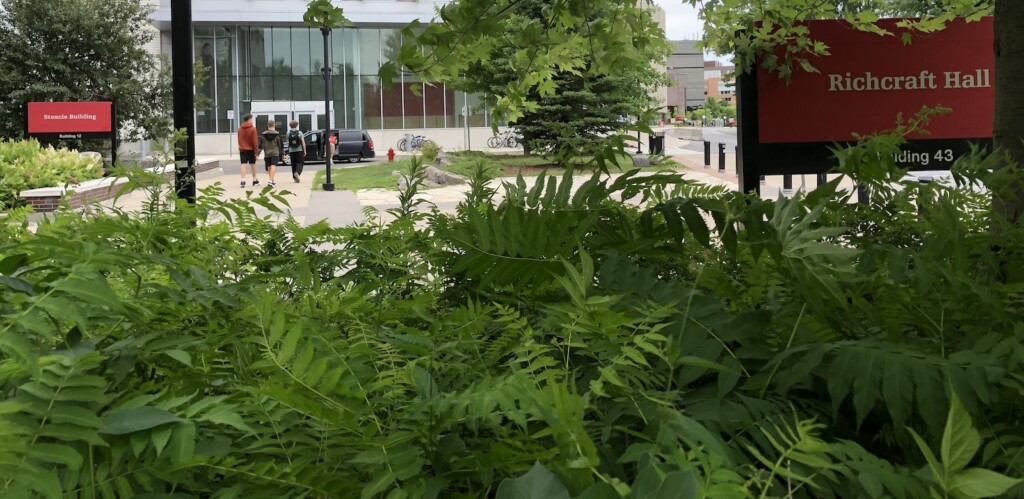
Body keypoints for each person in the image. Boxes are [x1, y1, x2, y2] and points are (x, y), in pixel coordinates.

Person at [237, 113, 260, 188]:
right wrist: (256, 152)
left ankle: (243, 180)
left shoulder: (240, 129)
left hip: (242, 149)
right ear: (249, 119)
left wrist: (240, 146)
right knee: (252, 164)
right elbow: (255, 141)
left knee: (243, 164)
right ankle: (254, 180)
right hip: (250, 149)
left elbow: (239, 139)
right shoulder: (253, 129)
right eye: (252, 119)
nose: (252, 120)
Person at [259, 121, 283, 187]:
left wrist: (257, 154)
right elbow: (280, 145)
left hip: (267, 153)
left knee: (269, 166)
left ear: (267, 125)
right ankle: (270, 181)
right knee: (273, 166)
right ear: (274, 125)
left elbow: (260, 145)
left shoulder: (263, 135)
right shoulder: (277, 134)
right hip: (275, 152)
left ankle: (271, 180)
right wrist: (282, 153)